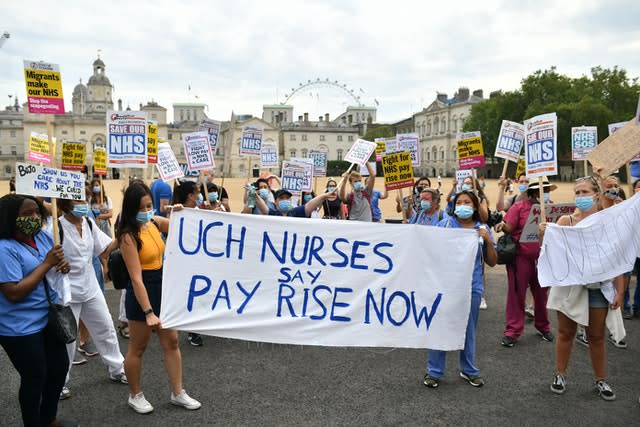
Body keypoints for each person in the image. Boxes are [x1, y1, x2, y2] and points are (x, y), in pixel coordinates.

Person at [117, 180, 201, 414]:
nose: (146, 211)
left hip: (163, 286)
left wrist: (181, 211)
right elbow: (135, 279)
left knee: (172, 341)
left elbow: (179, 224)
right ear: (131, 208)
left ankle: (178, 392)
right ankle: (135, 395)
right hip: (142, 292)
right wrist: (148, 312)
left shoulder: (153, 222)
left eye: (149, 206)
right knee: (138, 347)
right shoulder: (127, 236)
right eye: (142, 207)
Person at [542, 176, 625, 401]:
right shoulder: (564, 221)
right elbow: (551, 255)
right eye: (577, 192)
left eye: (585, 192)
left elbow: (615, 258)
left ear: (596, 194)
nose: (580, 196)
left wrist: (620, 290)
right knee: (565, 332)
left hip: (598, 287)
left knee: (596, 336)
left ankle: (600, 379)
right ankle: (560, 374)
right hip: (570, 288)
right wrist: (544, 235)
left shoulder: (606, 222)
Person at [0, 194, 75, 427]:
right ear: (10, 218)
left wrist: (62, 265)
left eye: (35, 212)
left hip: (47, 318)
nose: (33, 217)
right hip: (18, 327)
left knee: (59, 367)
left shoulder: (42, 237)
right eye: (26, 214)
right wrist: (47, 264)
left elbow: (54, 267)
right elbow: (13, 293)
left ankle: (48, 418)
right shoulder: (4, 249)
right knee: (35, 376)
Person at [423, 190, 497, 388]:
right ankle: (434, 371)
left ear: (474, 207)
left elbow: (492, 261)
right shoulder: (445, 224)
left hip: (471, 287)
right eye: (459, 202)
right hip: (445, 286)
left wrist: (488, 240)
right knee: (440, 326)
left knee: (468, 328)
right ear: (454, 206)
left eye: (467, 202)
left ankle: (469, 370)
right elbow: (429, 250)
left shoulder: (482, 229)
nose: (463, 205)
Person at [57, 198, 127, 397]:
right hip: (67, 293)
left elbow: (103, 249)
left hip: (90, 288)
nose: (82, 204)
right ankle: (59, 382)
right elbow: (45, 261)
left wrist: (121, 235)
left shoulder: (88, 222)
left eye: (82, 199)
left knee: (106, 329)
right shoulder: (55, 229)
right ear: (64, 205)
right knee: (67, 341)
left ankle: (117, 369)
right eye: (76, 200)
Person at [499, 178, 556, 347]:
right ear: (532, 192)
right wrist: (502, 226)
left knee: (541, 295)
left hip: (543, 258)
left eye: (546, 190)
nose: (545, 194)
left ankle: (543, 326)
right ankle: (512, 331)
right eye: (541, 191)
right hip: (520, 257)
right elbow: (509, 227)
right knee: (517, 294)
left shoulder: (552, 208)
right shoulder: (519, 207)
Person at [171, 180, 204, 347]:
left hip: (200, 260)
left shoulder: (199, 211)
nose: (199, 195)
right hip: (183, 261)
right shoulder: (177, 212)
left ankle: (194, 330)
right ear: (190, 196)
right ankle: (176, 324)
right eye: (197, 192)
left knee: (197, 294)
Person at [255, 188, 334, 218]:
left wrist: (323, 196)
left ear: (290, 200)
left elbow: (309, 205)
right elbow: (263, 207)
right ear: (275, 202)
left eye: (287, 198)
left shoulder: (295, 212)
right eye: (281, 198)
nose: (285, 200)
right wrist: (254, 195)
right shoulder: (273, 214)